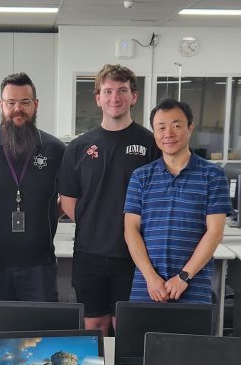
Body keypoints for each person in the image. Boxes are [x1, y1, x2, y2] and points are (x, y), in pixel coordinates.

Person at [0, 72, 66, 330]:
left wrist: (48, 215)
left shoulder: (55, 149)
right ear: (1, 105)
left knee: (41, 339)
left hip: (39, 266)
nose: (18, 109)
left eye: (25, 102)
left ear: (36, 104)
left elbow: (70, 197)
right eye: (11, 102)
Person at [59, 64, 160, 334]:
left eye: (122, 91)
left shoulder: (151, 144)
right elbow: (68, 200)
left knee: (125, 325)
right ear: (98, 98)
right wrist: (97, 225)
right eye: (108, 91)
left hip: (134, 255)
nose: (115, 98)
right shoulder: (79, 147)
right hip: (88, 253)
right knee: (94, 325)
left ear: (134, 96)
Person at [123, 98, 229, 304]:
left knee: (189, 337)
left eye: (176, 126)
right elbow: (131, 230)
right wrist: (151, 276)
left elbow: (215, 232)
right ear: (154, 133)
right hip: (148, 284)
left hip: (193, 283)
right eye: (161, 127)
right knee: (140, 336)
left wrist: (183, 277)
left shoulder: (213, 175)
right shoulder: (141, 176)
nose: (168, 134)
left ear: (190, 128)